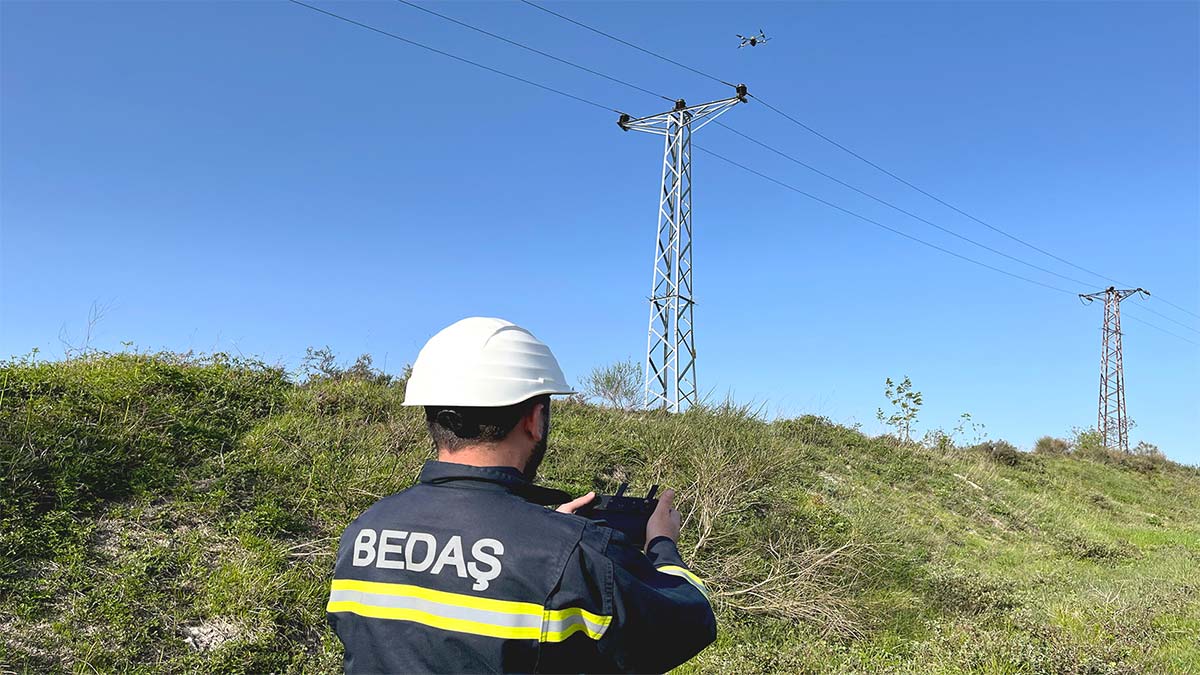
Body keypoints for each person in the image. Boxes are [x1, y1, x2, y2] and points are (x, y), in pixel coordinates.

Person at [326, 317, 716, 673]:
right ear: (534, 419)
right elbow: (690, 620)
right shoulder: (570, 555)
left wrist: (547, 531)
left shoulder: (363, 530)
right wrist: (662, 543)